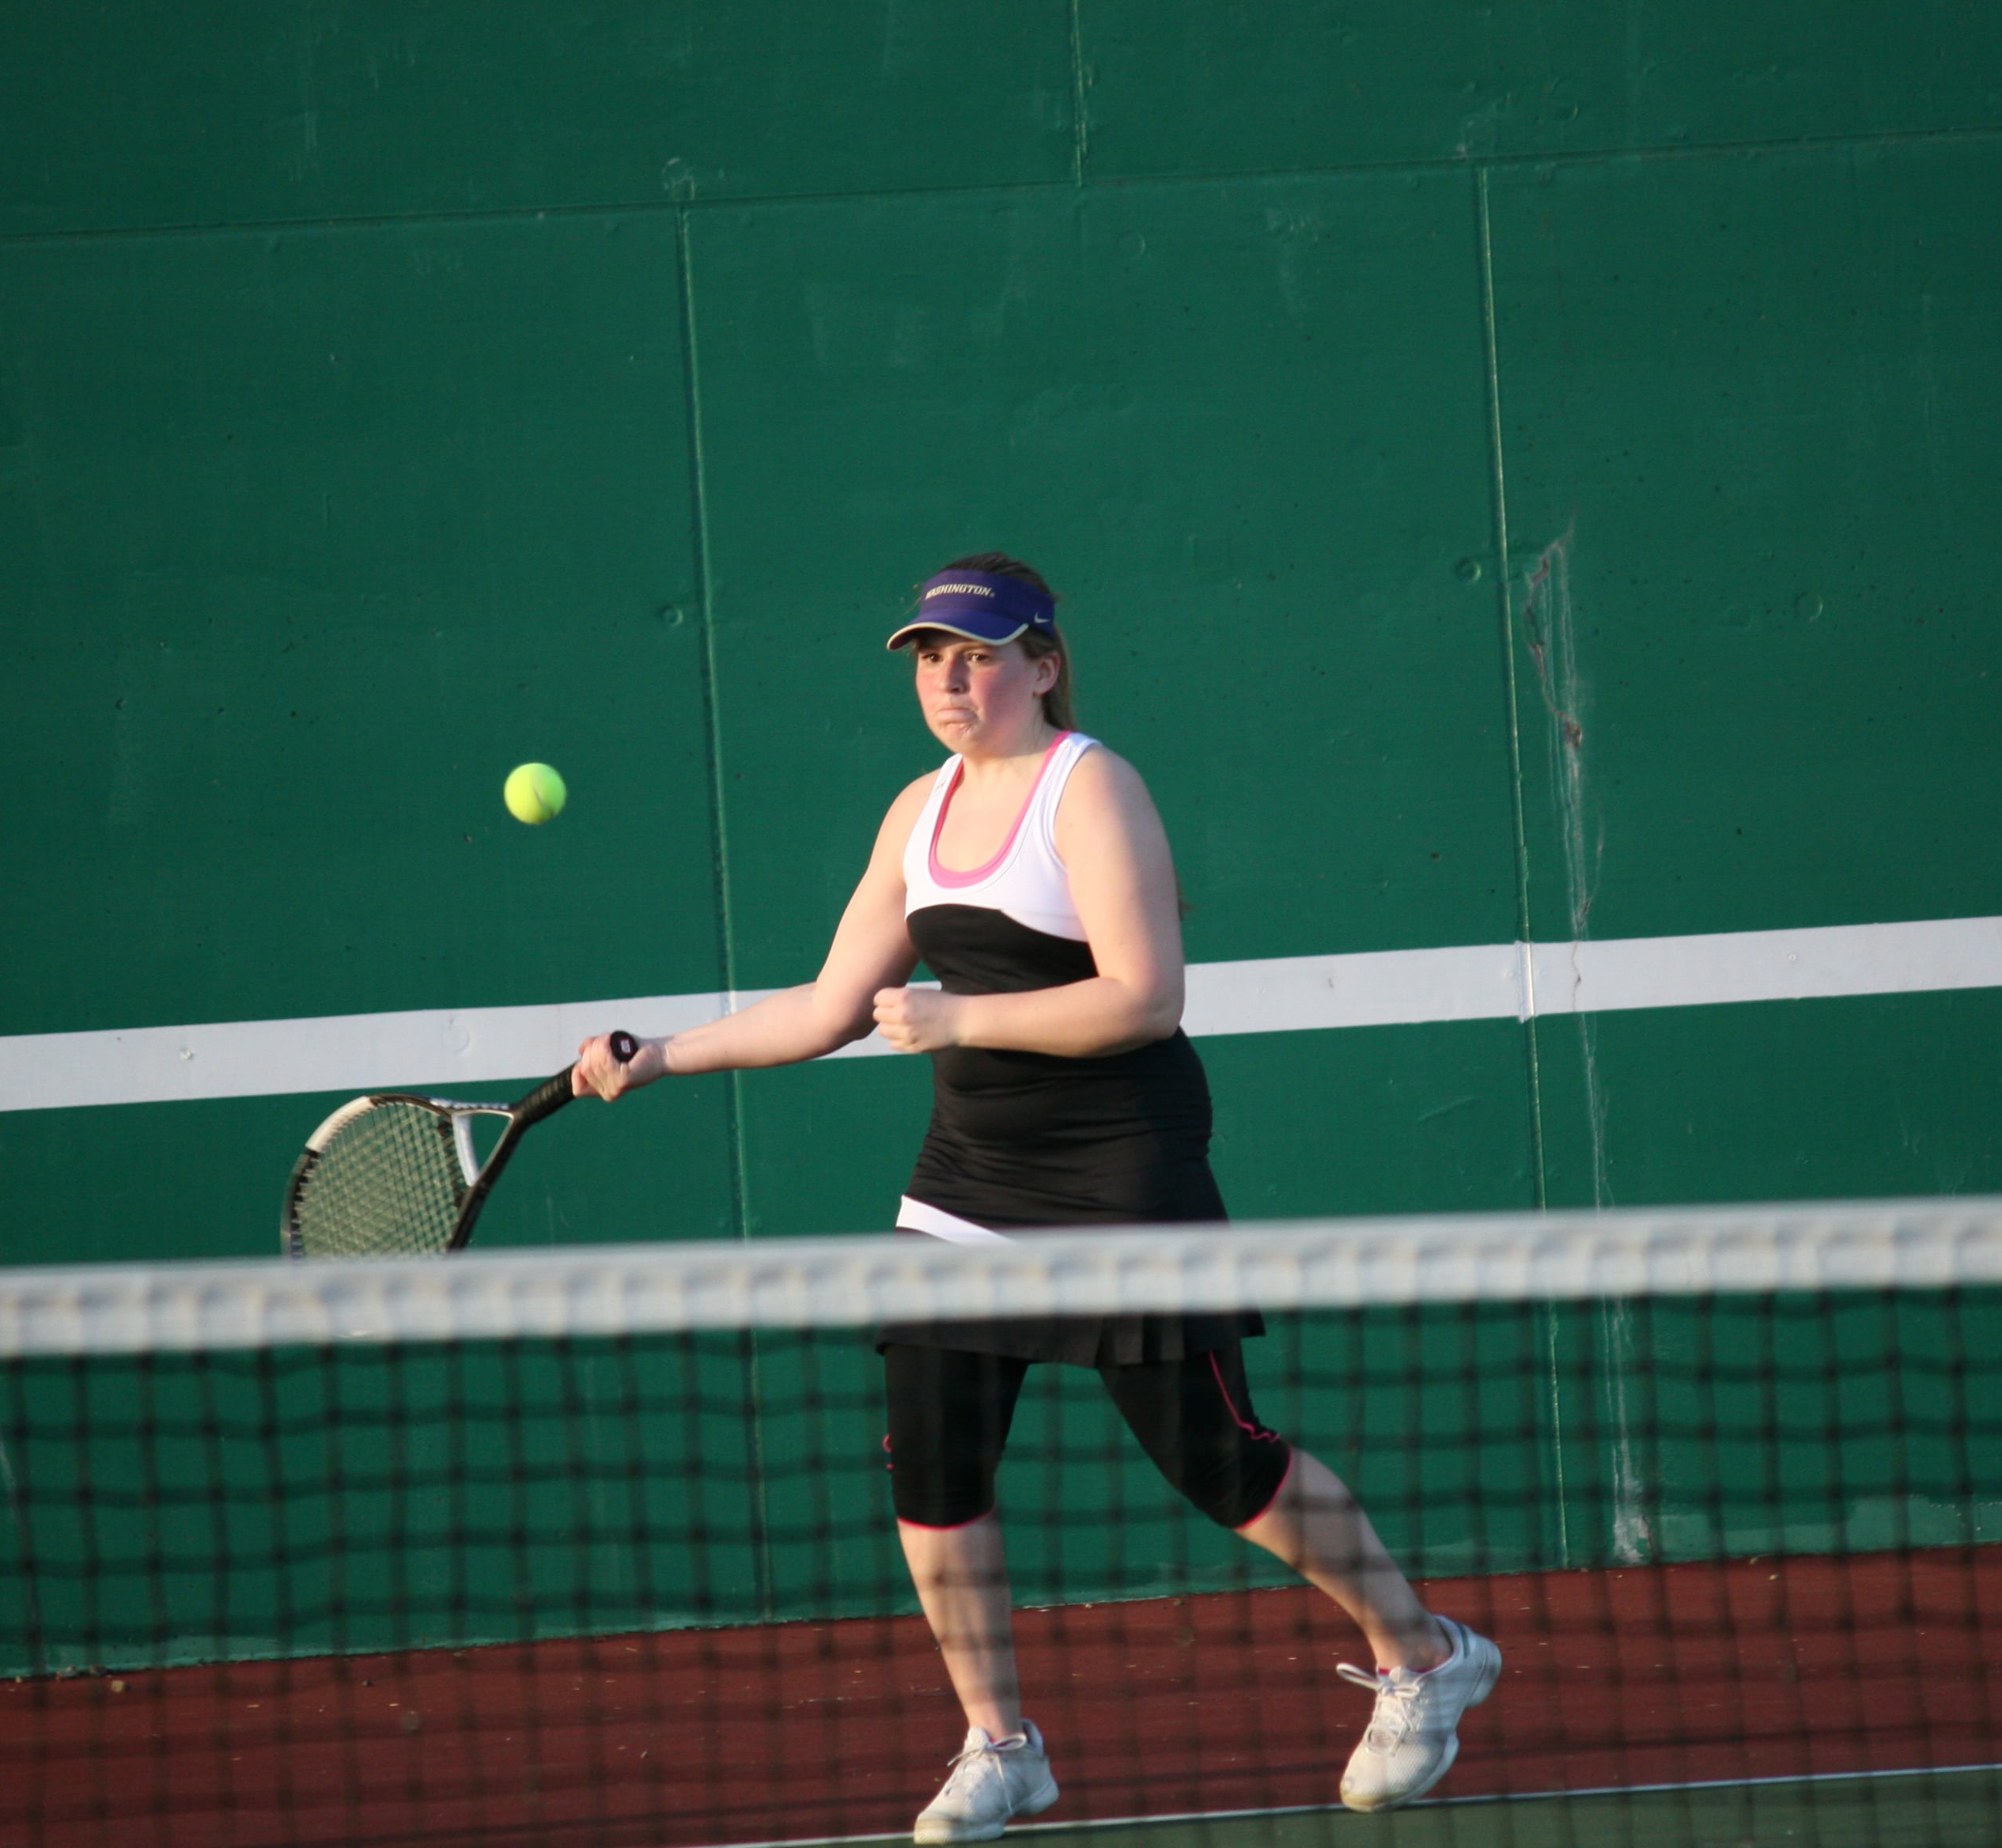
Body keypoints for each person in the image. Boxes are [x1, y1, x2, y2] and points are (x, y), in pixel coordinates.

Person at [572, 554, 1497, 1842]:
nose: (949, 680)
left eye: (979, 655)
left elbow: (1145, 995)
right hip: (967, 1181)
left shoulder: (1092, 787)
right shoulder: (917, 813)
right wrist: (658, 1055)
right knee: (931, 1468)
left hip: (1123, 1168)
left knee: (1217, 1461)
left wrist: (965, 1013)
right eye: (929, 660)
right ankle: (1001, 1747)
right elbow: (832, 1006)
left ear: (1044, 667)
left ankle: (1427, 1657)